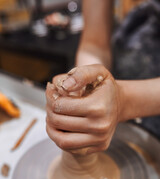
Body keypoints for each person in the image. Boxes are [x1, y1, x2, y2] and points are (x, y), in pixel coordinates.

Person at [46, 0, 160, 154]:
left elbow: (123, 99)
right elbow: (94, 45)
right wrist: (84, 88)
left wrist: (123, 101)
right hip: (128, 61)